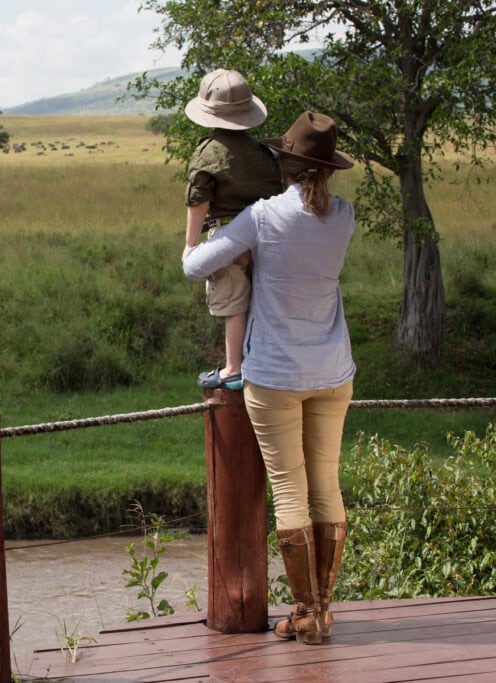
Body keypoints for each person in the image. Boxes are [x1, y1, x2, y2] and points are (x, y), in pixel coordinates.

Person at [182, 111, 356, 645]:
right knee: (326, 485)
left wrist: (195, 236)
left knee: (290, 490)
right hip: (333, 370)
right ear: (329, 169)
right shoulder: (344, 214)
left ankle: (306, 612)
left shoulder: (263, 216)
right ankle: (320, 611)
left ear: (284, 165)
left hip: (276, 373)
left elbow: (196, 266)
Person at [182, 69, 284, 390]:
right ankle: (259, 362)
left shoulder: (206, 151)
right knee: (260, 301)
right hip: (265, 235)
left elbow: (197, 201)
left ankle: (233, 369)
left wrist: (190, 245)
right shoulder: (264, 152)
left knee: (233, 302)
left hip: (226, 235)